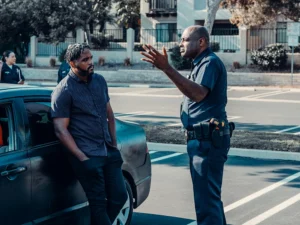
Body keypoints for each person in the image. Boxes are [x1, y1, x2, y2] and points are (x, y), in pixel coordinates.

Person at [140, 25, 231, 225]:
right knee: (209, 200)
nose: (180, 44)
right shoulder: (200, 63)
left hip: (207, 141)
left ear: (201, 42)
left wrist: (167, 68)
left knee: (207, 203)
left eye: (184, 39)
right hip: (203, 141)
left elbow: (198, 94)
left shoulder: (209, 63)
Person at [51, 43, 127, 225]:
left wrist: (114, 144)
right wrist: (82, 157)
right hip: (87, 155)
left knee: (119, 197)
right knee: (98, 203)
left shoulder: (99, 81)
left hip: (108, 150)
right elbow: (60, 130)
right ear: (71, 63)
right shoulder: (63, 90)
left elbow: (109, 113)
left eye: (90, 58)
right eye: (85, 60)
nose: (90, 62)